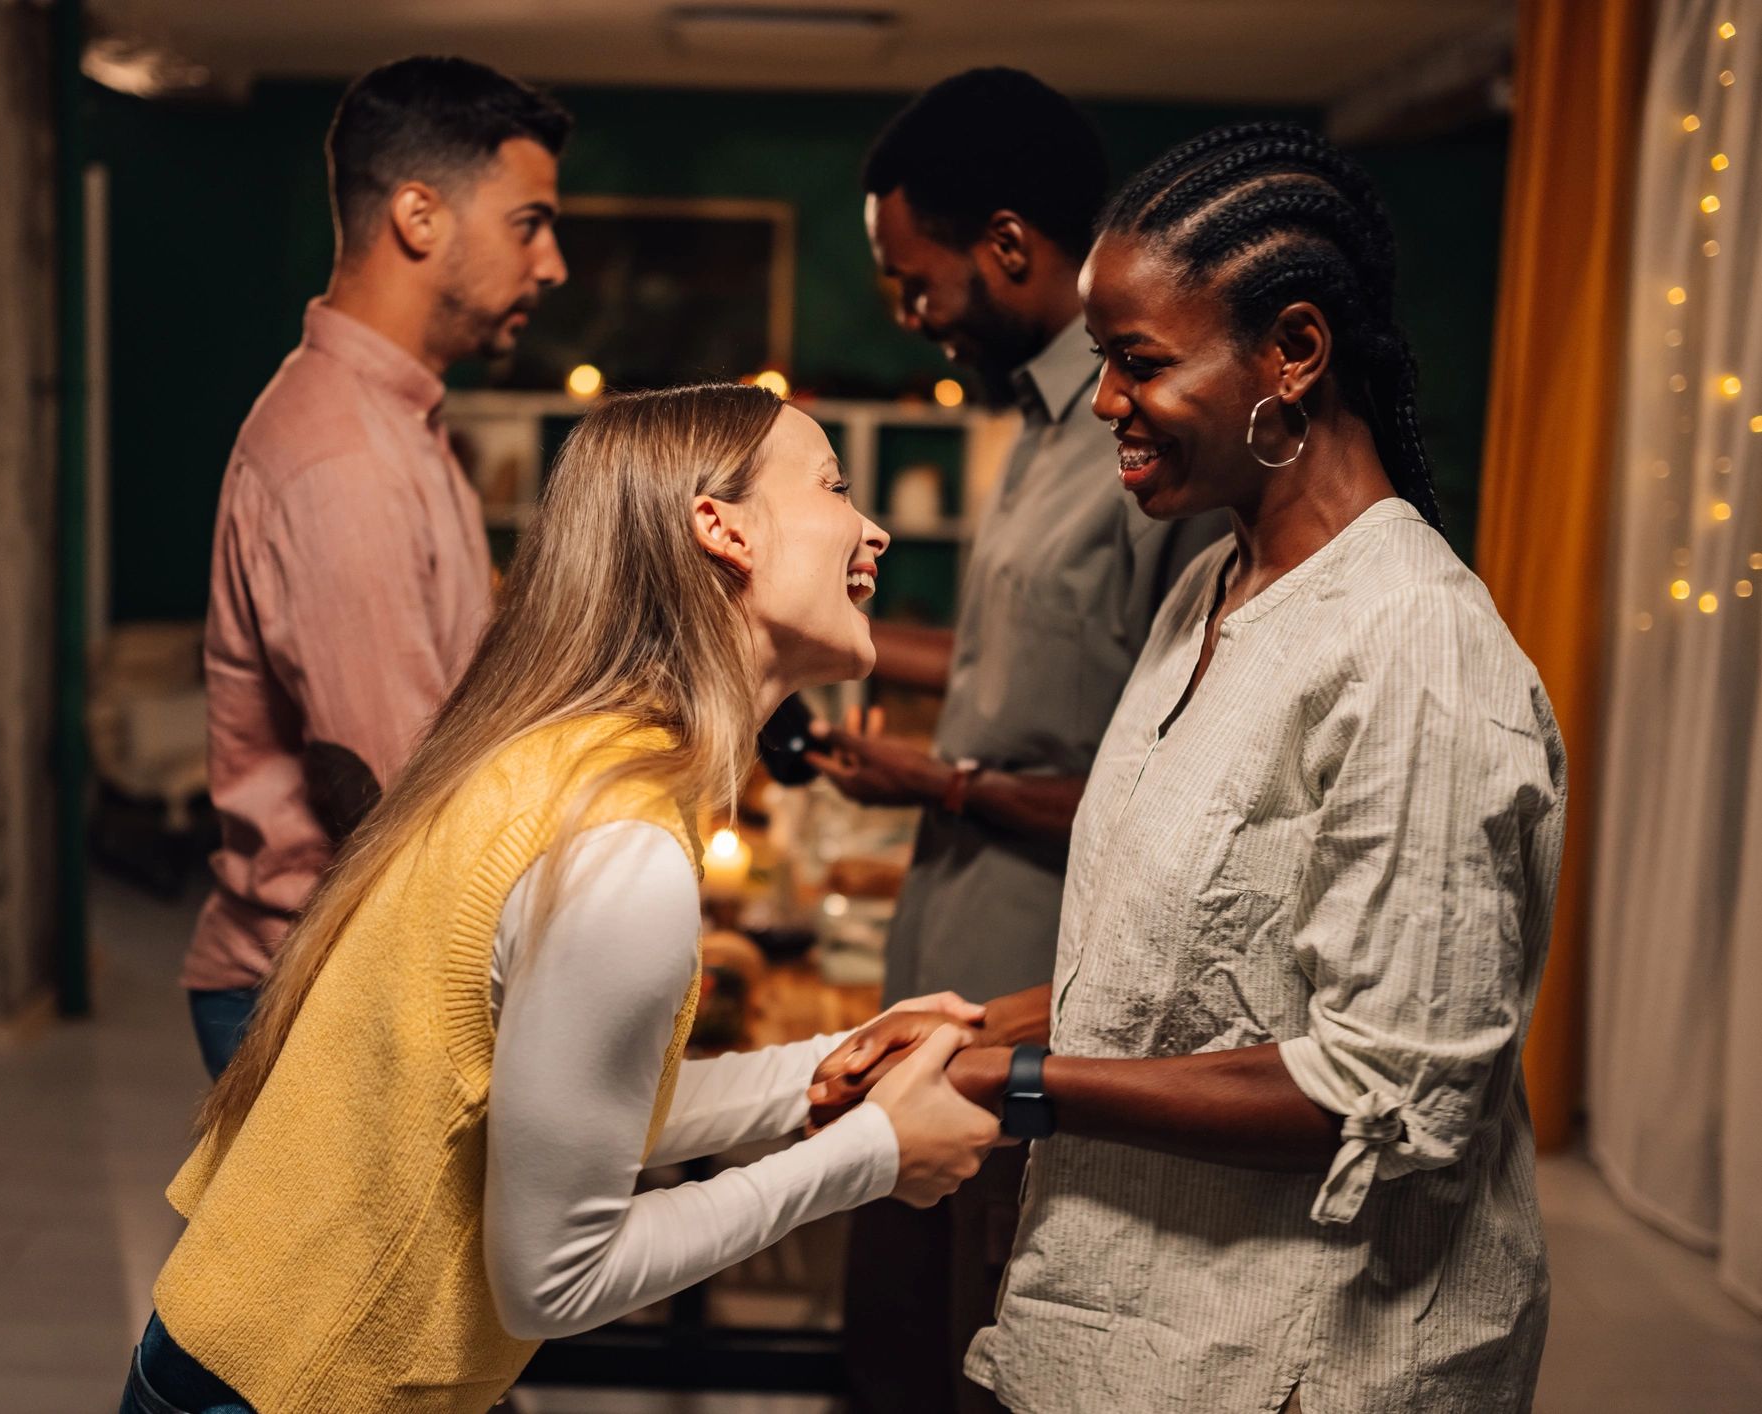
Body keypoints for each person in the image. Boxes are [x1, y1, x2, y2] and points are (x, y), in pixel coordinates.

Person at [810, 123, 1565, 1414]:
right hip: (1127, 1322)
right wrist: (966, 1025)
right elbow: (1189, 964)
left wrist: (1018, 1082)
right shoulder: (1212, 586)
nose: (1103, 400)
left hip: (1302, 1353)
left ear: (1295, 354)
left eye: (1138, 362)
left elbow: (1377, 1089)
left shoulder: (1416, 650)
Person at [119, 385, 1003, 1414]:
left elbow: (562, 1113)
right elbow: (553, 1278)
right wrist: (872, 1154)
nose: (874, 528)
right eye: (835, 486)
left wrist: (829, 1072)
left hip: (240, 1356)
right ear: (722, 530)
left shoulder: (566, 757)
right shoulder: (621, 852)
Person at [810, 69, 1224, 1414]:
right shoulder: (1041, 430)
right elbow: (1011, 664)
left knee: (977, 1356)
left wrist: (937, 777)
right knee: (889, 1341)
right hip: (941, 962)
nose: (911, 318)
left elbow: (1171, 785)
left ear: (1006, 245)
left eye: (914, 283)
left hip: (1040, 1002)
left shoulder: (1144, 449)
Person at [182, 57, 572, 1077]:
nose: (553, 263)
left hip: (358, 969)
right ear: (419, 215)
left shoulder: (401, 421)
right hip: (317, 989)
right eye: (529, 223)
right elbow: (400, 799)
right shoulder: (341, 459)